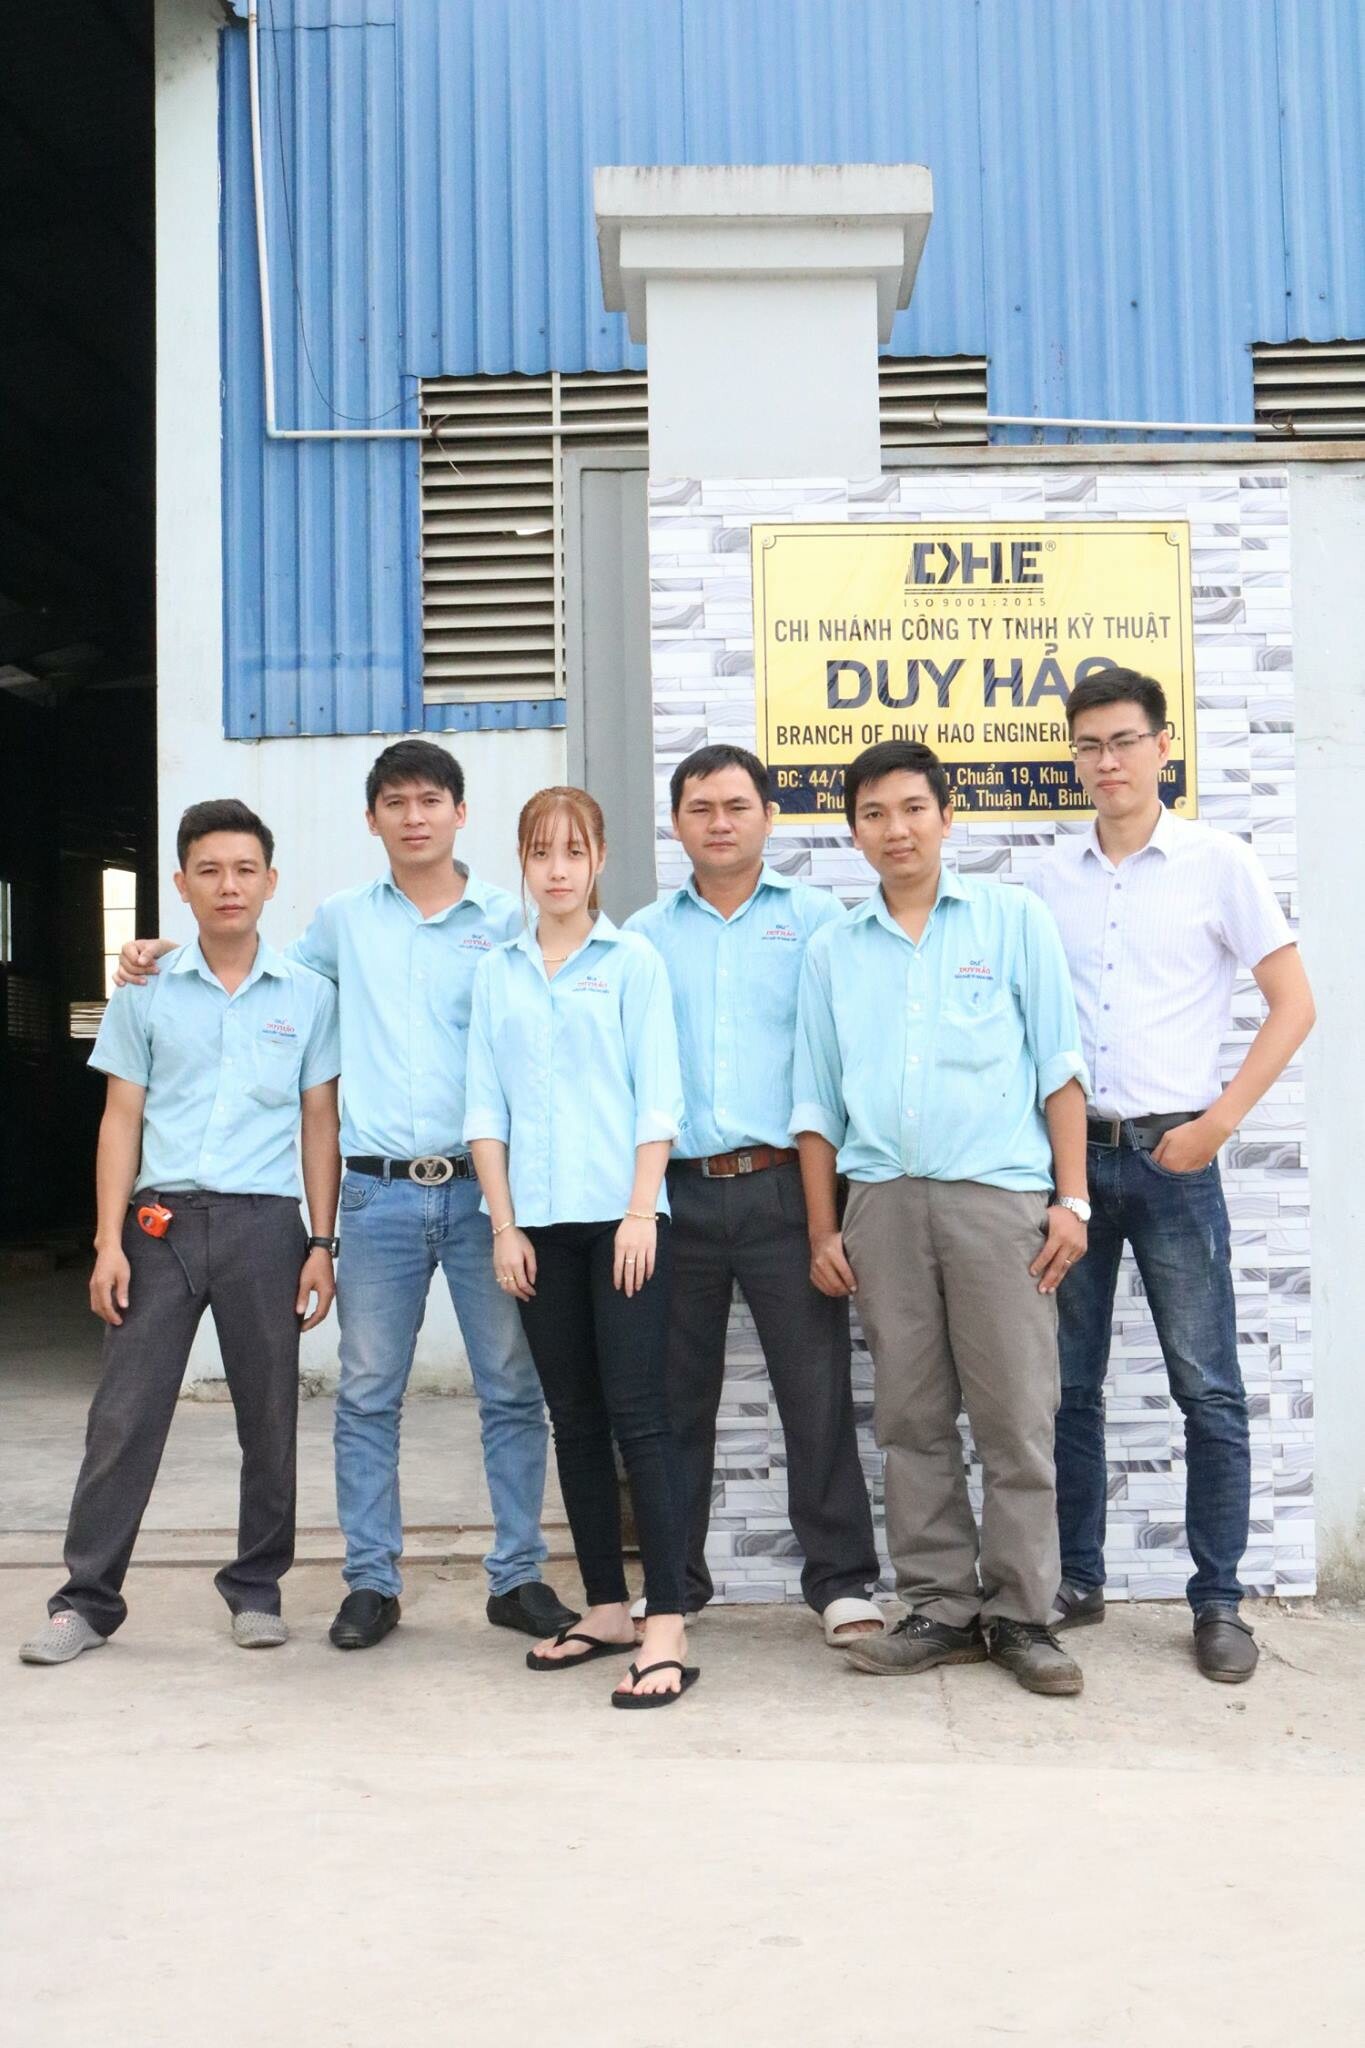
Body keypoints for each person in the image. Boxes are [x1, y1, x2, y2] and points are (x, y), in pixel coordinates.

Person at [112, 741, 574, 1653]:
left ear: (459, 813)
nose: (413, 817)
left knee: (511, 1388)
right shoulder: (340, 922)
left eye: (430, 800)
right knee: (366, 1394)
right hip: (377, 1196)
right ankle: (371, 1581)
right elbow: (251, 971)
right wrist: (154, 954)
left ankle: (517, 1575)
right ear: (372, 820)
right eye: (394, 803)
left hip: (485, 1194)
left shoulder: (507, 920)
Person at [1031, 669, 1316, 1683]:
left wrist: (1217, 1123)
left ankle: (1219, 1601)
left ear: (1162, 746)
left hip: (1173, 1160)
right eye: (1088, 745)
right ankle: (1076, 1577)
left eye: (1123, 741)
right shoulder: (1046, 878)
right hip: (1074, 1162)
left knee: (1208, 1390)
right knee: (1068, 1389)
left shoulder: (1217, 862)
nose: (1105, 761)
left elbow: (1293, 1002)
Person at [792, 741, 1092, 1696]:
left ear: (945, 816)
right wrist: (824, 1229)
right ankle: (940, 1610)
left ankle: (1021, 1617)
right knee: (911, 1420)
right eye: (874, 814)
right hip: (880, 1205)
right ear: (852, 832)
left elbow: (1059, 1065)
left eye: (912, 808)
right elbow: (815, 1102)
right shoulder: (834, 950)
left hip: (997, 1204)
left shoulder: (1009, 920)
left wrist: (1072, 1200)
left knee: (1015, 1420)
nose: (896, 829)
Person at [20, 800, 341, 1664]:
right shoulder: (146, 989)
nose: (228, 885)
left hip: (265, 1227)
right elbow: (120, 1119)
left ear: (270, 882)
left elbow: (319, 1122)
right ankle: (85, 1602)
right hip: (157, 1227)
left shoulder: (308, 996)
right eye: (209, 870)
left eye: (244, 869)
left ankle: (256, 1590)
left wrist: (322, 1243)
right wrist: (107, 1241)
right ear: (182, 884)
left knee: (268, 1418)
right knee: (123, 1416)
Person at [625, 745, 883, 1645]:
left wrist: (832, 1210)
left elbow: (846, 1057)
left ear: (769, 816)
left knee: (814, 1394)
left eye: (737, 805)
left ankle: (842, 1582)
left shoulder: (819, 923)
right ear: (676, 823)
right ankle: (675, 1584)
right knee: (672, 1402)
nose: (720, 823)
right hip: (678, 1197)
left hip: (786, 1192)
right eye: (700, 808)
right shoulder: (642, 937)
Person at [465, 787, 698, 1708]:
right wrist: (503, 1224)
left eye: (572, 851)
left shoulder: (632, 962)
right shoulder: (498, 972)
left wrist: (641, 1212)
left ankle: (666, 1621)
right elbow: (484, 1107)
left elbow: (658, 1097)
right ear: (521, 862)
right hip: (536, 1228)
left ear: (599, 858)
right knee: (573, 1417)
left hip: (622, 1222)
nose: (555, 870)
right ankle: (605, 1606)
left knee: (640, 1416)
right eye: (539, 852)